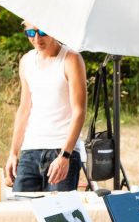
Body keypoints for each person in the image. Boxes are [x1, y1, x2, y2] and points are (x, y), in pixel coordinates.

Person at [5, 23, 87, 192]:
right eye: (30, 32)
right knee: (21, 212)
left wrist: (65, 155)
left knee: (56, 216)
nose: (36, 38)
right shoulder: (26, 61)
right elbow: (24, 108)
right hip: (30, 150)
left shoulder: (71, 59)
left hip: (61, 148)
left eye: (42, 32)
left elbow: (79, 111)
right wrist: (13, 152)